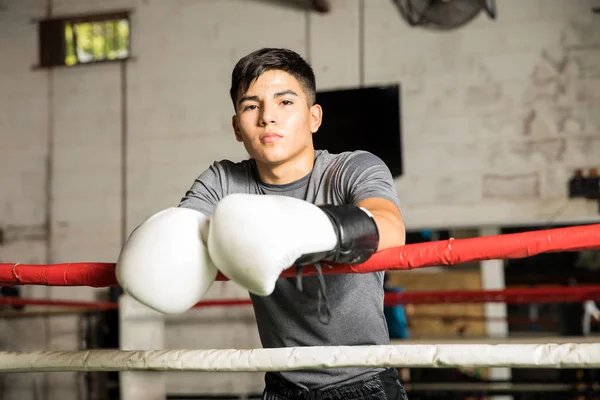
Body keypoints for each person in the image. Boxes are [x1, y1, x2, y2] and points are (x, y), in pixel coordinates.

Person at [117, 47, 408, 400]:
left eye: (285, 102)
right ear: (237, 127)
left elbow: (390, 228)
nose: (267, 117)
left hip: (367, 382)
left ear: (314, 117)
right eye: (251, 106)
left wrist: (306, 230)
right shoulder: (224, 180)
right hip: (283, 386)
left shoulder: (353, 168)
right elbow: (175, 239)